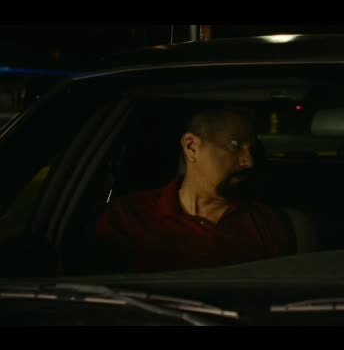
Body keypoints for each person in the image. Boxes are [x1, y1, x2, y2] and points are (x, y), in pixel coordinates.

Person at [93, 108, 295, 272]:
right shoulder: (129, 216)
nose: (248, 162)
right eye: (236, 145)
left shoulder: (265, 223)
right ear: (191, 147)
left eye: (252, 150)